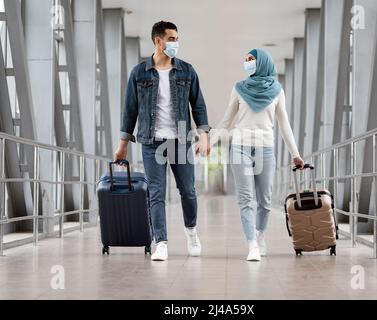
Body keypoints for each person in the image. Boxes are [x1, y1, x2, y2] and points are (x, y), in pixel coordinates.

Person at [114, 21, 211, 261]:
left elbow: (198, 106)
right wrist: (123, 144)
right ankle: (162, 242)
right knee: (155, 193)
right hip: (151, 142)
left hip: (180, 141)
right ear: (158, 41)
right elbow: (130, 110)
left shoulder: (187, 71)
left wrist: (205, 136)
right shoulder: (139, 73)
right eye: (172, 38)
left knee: (187, 191)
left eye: (177, 38)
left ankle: (191, 232)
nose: (176, 43)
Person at [210, 48, 304, 261]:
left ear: (262, 63)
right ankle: (252, 244)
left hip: (265, 148)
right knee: (245, 199)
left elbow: (284, 124)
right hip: (240, 146)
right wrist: (210, 142)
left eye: (251, 59)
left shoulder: (278, 91)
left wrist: (295, 153)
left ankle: (260, 236)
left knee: (265, 200)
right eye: (246, 59)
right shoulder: (239, 88)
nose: (247, 63)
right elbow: (227, 120)